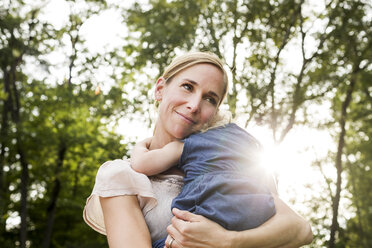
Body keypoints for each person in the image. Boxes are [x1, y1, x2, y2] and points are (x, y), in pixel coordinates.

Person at [83, 51, 313, 248]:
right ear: (160, 89)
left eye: (210, 99)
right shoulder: (122, 175)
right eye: (187, 87)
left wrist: (227, 241)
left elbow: (300, 229)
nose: (194, 105)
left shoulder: (229, 165)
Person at [131, 119, 277, 248]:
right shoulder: (248, 144)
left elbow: (141, 164)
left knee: (168, 241)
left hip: (209, 210)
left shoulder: (190, 143)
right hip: (256, 211)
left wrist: (142, 144)